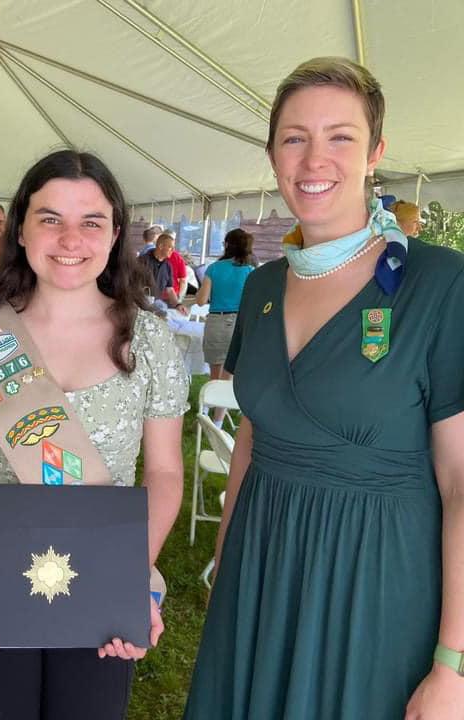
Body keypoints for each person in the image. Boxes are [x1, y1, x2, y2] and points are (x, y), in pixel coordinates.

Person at [184, 57, 464, 720]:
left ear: (376, 153)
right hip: (260, 569)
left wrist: (453, 663)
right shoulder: (262, 287)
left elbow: (461, 481)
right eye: (295, 137)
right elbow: (252, 440)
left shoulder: (440, 283)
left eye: (341, 136)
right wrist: (226, 564)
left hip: (376, 589)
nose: (315, 159)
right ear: (273, 154)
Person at [0, 150, 188, 719]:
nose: (70, 239)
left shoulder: (150, 341)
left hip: (107, 577)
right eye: (50, 218)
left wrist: (131, 574)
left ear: (114, 233)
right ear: (20, 229)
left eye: (91, 221)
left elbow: (165, 471)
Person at [194, 228, 254, 423]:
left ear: (227, 245)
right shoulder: (250, 271)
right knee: (228, 377)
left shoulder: (214, 268)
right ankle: (218, 422)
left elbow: (201, 300)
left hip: (216, 321)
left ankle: (204, 413)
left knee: (215, 375)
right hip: (240, 323)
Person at [139, 233, 188, 314]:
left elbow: (170, 289)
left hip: (156, 305)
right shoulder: (142, 262)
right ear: (161, 246)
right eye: (170, 247)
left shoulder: (168, 266)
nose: (173, 250)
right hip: (140, 306)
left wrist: (178, 305)